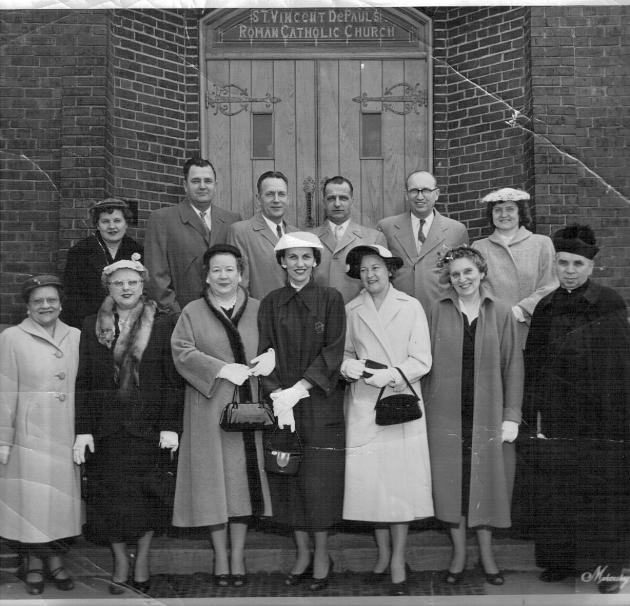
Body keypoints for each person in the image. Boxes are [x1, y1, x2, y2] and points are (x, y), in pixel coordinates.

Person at [522, 224, 630, 594]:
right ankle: (560, 561)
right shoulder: (545, 306)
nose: (569, 270)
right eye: (563, 262)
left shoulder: (610, 302)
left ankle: (608, 570)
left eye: (577, 263)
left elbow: (621, 365)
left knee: (603, 492)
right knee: (558, 489)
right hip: (557, 414)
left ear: (591, 266)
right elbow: (533, 365)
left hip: (602, 416)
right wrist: (532, 412)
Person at [73, 257, 183, 595]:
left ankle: (143, 560)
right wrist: (84, 428)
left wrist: (170, 426)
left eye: (132, 282)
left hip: (147, 427)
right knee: (109, 500)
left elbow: (171, 379)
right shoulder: (94, 324)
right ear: (108, 287)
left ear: (142, 285)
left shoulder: (163, 323)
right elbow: (86, 380)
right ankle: (120, 560)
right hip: (107, 430)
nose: (125, 288)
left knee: (147, 498)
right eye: (118, 283)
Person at [171, 244, 274, 587]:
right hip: (209, 404)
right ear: (206, 275)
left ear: (241, 273)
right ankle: (219, 556)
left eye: (229, 269)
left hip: (249, 406)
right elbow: (181, 350)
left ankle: (238, 556)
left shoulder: (259, 309)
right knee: (213, 483)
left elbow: (274, 344)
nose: (223, 276)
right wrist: (219, 369)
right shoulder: (192, 311)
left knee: (242, 482)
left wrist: (269, 357)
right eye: (216, 270)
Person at [423, 246, 523, 586]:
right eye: (455, 274)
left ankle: (488, 554)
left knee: (486, 482)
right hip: (446, 416)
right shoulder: (437, 310)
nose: (462, 279)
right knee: (453, 484)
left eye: (468, 272)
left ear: (481, 273)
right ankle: (459, 555)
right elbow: (426, 366)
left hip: (488, 414)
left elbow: (514, 366)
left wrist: (511, 414)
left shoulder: (502, 311)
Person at [340, 244, 434, 595]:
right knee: (373, 487)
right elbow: (347, 352)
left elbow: (422, 358)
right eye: (364, 269)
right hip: (366, 403)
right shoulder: (352, 310)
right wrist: (348, 367)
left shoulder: (411, 307)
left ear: (390, 270)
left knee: (400, 486)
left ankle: (398, 560)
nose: (371, 275)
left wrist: (392, 375)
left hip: (401, 401)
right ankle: (381, 557)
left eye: (377, 267)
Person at [257, 232, 346, 591]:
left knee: (319, 483)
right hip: (283, 405)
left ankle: (322, 555)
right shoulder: (270, 302)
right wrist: (277, 393)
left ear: (315, 261)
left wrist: (300, 389)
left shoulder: (331, 299)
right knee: (287, 476)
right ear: (281, 262)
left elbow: (334, 350)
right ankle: (302, 553)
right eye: (291, 258)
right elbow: (263, 352)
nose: (299, 264)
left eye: (306, 257)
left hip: (319, 402)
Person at [0, 275, 81, 595]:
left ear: (61, 303)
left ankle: (57, 562)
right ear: (28, 306)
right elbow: (4, 391)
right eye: (38, 301)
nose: (45, 306)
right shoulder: (11, 338)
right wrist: (3, 438)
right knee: (33, 502)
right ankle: (34, 563)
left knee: (60, 503)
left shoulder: (76, 335)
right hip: (29, 435)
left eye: (51, 300)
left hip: (66, 433)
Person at [144, 157, 242, 312]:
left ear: (215, 185)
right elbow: (156, 277)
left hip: (226, 314)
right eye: (196, 181)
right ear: (185, 185)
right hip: (181, 316)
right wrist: (176, 313)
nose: (202, 186)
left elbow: (239, 269)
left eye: (208, 181)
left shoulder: (232, 220)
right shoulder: (162, 219)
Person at [472, 187, 557, 347]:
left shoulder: (541, 243)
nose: (504, 215)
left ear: (521, 213)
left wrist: (521, 310)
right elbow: (477, 288)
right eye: (497, 210)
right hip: (494, 328)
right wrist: (499, 314)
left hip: (532, 329)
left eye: (510, 209)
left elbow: (550, 285)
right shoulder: (479, 247)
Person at [377, 170, 468, 313]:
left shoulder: (456, 230)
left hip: (441, 310)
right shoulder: (387, 227)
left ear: (436, 194)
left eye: (425, 190)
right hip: (398, 311)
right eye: (414, 191)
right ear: (406, 194)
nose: (420, 196)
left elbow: (462, 273)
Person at [61, 198, 143, 328]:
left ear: (126, 223)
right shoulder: (79, 252)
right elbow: (72, 296)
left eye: (117, 221)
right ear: (97, 225)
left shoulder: (137, 250)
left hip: (128, 324)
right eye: (105, 221)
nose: (112, 226)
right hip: (89, 323)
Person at [312, 176, 387, 302]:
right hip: (318, 314)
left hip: (360, 313)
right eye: (331, 198)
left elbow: (381, 284)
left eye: (343, 198)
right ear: (324, 202)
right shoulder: (309, 238)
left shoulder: (374, 238)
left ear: (352, 201)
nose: (337, 203)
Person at [228, 171, 297, 299]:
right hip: (261, 314)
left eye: (281, 194)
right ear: (259, 199)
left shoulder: (297, 234)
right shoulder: (241, 231)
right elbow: (240, 284)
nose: (276, 200)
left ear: (288, 199)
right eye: (270, 194)